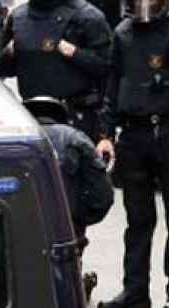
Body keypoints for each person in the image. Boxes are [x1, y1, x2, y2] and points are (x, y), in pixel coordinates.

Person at [93, 0, 169, 308]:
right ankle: (135, 290)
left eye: (153, 0)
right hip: (134, 136)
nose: (146, 7)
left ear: (167, 0)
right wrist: (105, 134)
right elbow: (112, 85)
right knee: (137, 219)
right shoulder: (122, 33)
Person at [0, 0, 113, 141]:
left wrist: (76, 54)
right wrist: (10, 52)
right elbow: (3, 69)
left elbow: (108, 70)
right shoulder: (19, 18)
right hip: (34, 117)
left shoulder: (88, 17)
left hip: (78, 117)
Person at [23, 96, 114, 234]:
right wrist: (78, 219)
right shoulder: (76, 138)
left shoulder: (10, 140)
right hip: (67, 230)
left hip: (20, 229)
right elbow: (103, 195)